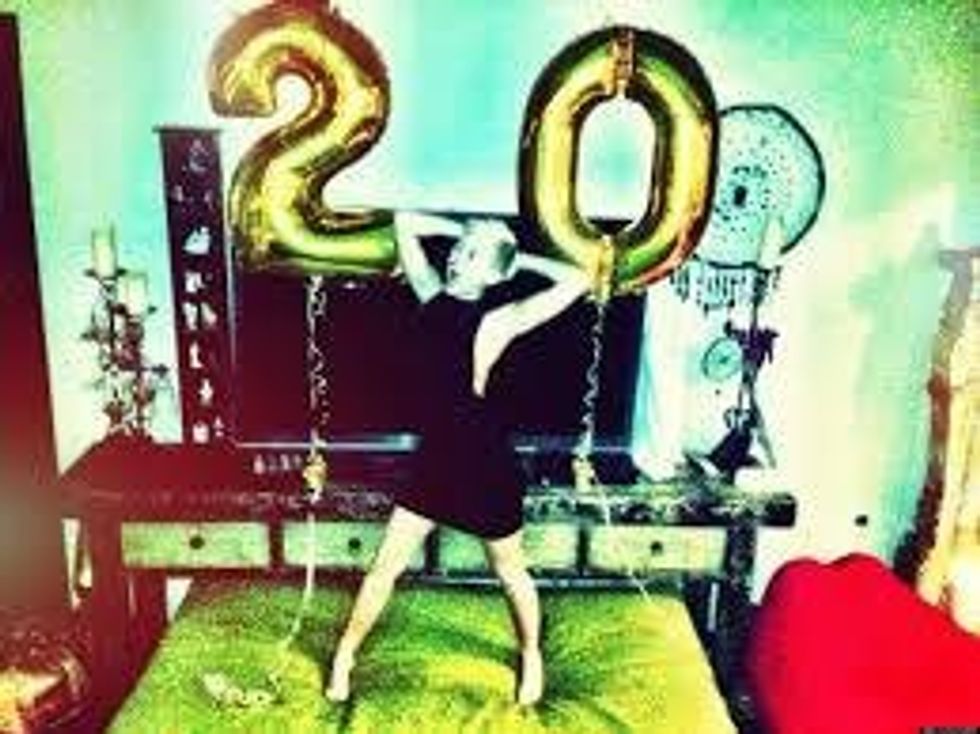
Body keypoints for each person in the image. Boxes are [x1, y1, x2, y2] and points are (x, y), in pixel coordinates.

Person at [325, 211, 592, 705]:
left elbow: (579, 279)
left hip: (484, 464)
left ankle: (531, 653)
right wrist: (466, 232)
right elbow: (405, 222)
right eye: (456, 249)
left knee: (510, 572)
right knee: (384, 567)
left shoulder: (497, 321)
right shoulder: (430, 295)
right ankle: (345, 655)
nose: (455, 257)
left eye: (470, 255)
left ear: (492, 273)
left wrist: (514, 262)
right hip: (435, 463)